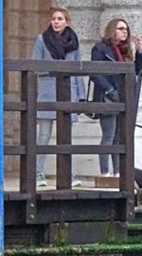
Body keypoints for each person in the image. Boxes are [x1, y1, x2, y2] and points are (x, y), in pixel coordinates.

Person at [31, 7, 86, 187]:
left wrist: (81, 96)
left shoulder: (74, 41)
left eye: (60, 19)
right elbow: (35, 66)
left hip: (68, 92)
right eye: (54, 18)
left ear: (66, 22)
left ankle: (68, 174)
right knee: (44, 136)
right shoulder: (41, 39)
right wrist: (56, 69)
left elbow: (78, 70)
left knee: (66, 137)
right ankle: (37, 172)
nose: (56, 22)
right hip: (48, 91)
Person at [90, 19, 142, 177]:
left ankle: (118, 173)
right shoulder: (100, 49)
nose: (125, 31)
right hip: (108, 98)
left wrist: (139, 51)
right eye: (121, 28)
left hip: (124, 98)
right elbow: (95, 73)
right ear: (112, 30)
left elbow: (135, 71)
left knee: (119, 139)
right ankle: (104, 172)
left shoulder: (125, 50)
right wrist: (109, 90)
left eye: (126, 29)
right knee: (108, 136)